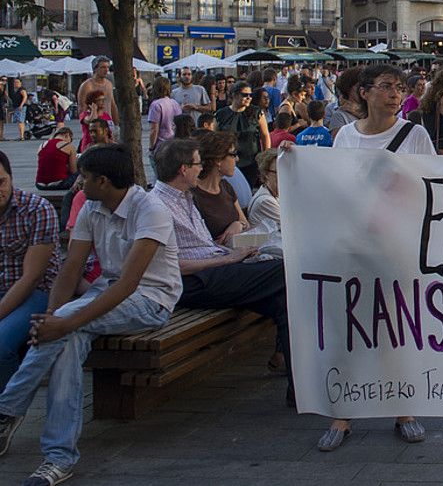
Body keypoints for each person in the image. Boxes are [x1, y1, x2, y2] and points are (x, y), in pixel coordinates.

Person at [0, 144, 180, 486]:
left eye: (83, 177)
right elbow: (70, 269)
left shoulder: (150, 210)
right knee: (67, 341)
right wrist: (53, 316)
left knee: (68, 328)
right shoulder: (91, 208)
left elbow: (128, 284)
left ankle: (7, 408)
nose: (78, 184)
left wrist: (64, 321)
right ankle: (59, 458)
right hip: (101, 295)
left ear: (102, 180)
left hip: (150, 301)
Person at [318, 63, 432, 451]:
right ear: (363, 93)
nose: (395, 94)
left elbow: (433, 187)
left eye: (400, 87)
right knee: (348, 330)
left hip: (397, 249)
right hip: (353, 247)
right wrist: (292, 160)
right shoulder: (345, 137)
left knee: (396, 329)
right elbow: (333, 187)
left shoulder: (415, 135)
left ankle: (404, 409)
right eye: (386, 87)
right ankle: (343, 413)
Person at [148, 139, 293, 406]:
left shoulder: (185, 198)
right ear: (183, 169)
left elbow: (200, 246)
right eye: (196, 164)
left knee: (285, 301)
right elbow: (167, 266)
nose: (200, 168)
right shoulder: (156, 206)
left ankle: (299, 388)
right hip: (192, 282)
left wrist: (231, 247)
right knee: (286, 271)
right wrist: (227, 260)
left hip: (215, 267)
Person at [0, 151, 64, 389]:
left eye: (1, 182)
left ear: (11, 178)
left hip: (36, 293)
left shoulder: (36, 209)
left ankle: (8, 410)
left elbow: (32, 276)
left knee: (1, 344)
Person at [191, 130, 252, 244]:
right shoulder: (193, 195)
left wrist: (238, 224)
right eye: (233, 154)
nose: (237, 159)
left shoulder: (225, 186)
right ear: (218, 159)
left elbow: (246, 224)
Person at [215, 81, 270, 187]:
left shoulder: (256, 112)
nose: (249, 98)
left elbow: (265, 135)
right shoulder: (221, 114)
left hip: (251, 160)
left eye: (251, 95)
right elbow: (216, 137)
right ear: (235, 95)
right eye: (245, 95)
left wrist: (265, 156)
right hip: (228, 160)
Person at [323, 67, 364, 136]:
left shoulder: (371, 109)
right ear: (349, 88)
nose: (363, 89)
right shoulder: (340, 116)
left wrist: (359, 113)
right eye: (359, 86)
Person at [34, 128, 78, 192]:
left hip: (40, 184)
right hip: (59, 184)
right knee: (81, 172)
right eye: (70, 140)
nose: (70, 142)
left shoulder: (42, 145)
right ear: (67, 135)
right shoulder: (69, 146)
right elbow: (73, 170)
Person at [146, 77, 181, 155]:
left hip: (161, 145)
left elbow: (154, 129)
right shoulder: (175, 103)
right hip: (174, 142)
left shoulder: (156, 105)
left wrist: (151, 147)